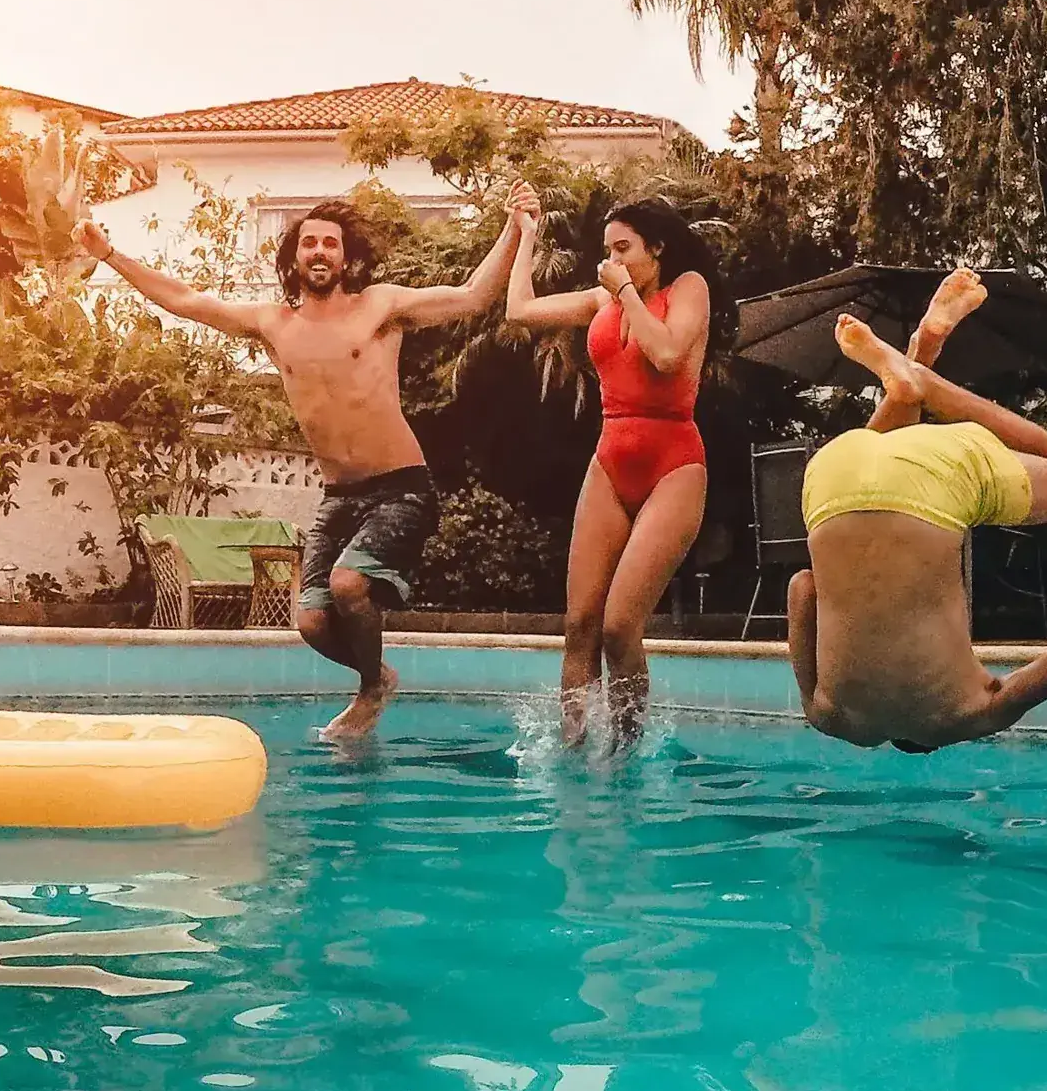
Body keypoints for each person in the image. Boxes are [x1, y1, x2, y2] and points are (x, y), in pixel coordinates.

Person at [77, 188, 532, 742]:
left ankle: (370, 689)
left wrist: (513, 227)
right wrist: (109, 255)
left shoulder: (380, 307)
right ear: (294, 258)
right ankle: (379, 676)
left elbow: (473, 296)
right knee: (312, 622)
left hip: (401, 489)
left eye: (330, 244)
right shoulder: (273, 323)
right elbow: (186, 299)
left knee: (347, 586)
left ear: (346, 258)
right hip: (339, 497)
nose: (320, 251)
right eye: (309, 242)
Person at [786, 272, 1047, 751]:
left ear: (933, 742)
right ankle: (910, 370)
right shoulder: (829, 717)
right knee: (888, 456)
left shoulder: (972, 713)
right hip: (832, 477)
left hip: (935, 485)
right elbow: (803, 587)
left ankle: (924, 381)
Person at [503, 191, 719, 748]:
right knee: (580, 625)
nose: (612, 260)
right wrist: (526, 235)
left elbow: (667, 354)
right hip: (610, 460)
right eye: (608, 251)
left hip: (673, 464)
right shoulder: (603, 298)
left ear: (657, 247)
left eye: (624, 248)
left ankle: (625, 755)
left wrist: (623, 292)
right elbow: (519, 311)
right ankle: (574, 751)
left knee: (620, 627)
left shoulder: (687, 288)